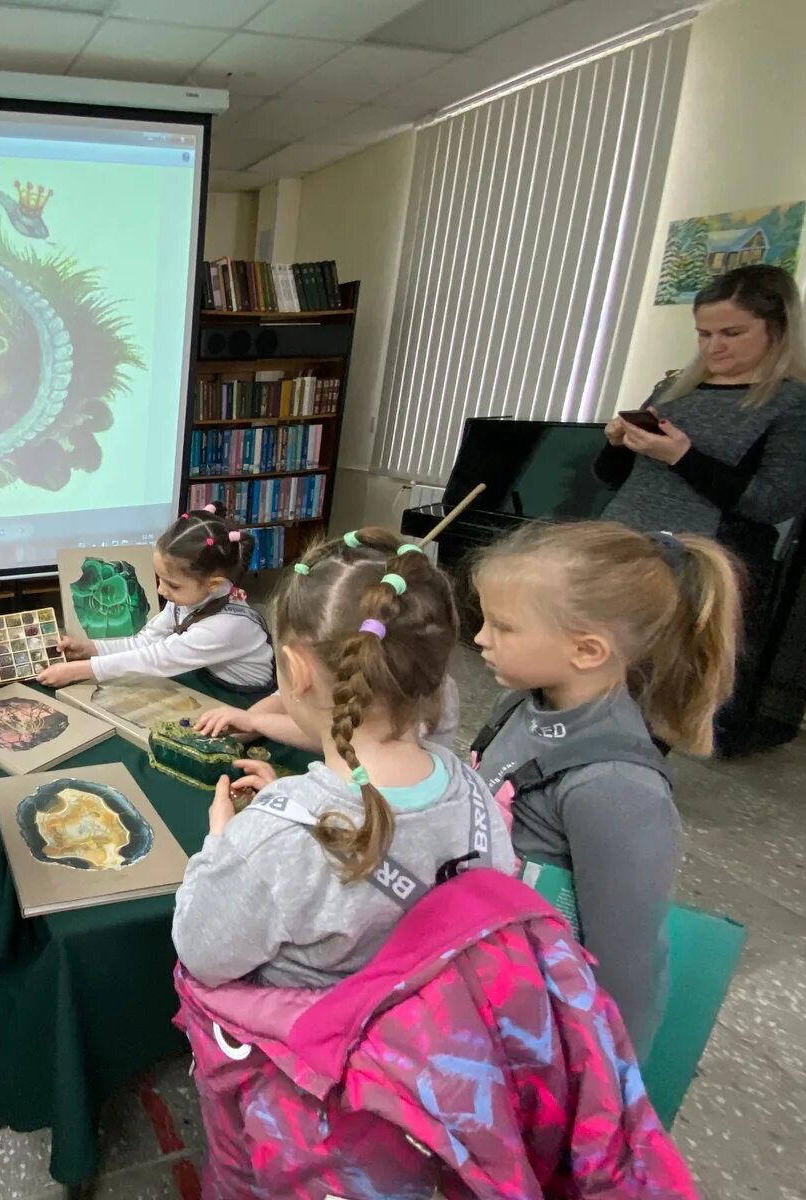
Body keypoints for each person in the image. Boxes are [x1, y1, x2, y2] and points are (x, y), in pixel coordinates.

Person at [172, 528, 514, 989]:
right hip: (424, 1036)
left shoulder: (270, 839)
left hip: (302, 1050)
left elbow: (202, 954)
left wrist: (223, 840)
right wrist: (294, 811)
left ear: (296, 671)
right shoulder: (474, 789)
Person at [469, 520, 741, 1055]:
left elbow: (628, 969)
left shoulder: (616, 786)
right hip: (477, 976)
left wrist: (607, 1095)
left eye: (502, 626)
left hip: (530, 1026)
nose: (479, 638)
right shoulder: (520, 706)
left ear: (588, 650)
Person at [597, 263, 806, 753]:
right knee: (595, 668)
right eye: (704, 334)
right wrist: (616, 443)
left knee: (653, 686)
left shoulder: (791, 405)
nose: (715, 347)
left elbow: (772, 502)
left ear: (777, 329)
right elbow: (613, 478)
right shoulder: (675, 389)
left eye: (732, 333)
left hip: (694, 562)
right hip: (624, 547)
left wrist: (682, 457)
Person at [194, 534, 460, 750]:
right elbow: (292, 701)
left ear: (299, 671)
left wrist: (257, 722)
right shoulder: (423, 673)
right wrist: (251, 719)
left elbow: (333, 733)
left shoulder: (395, 709)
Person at [38, 504, 274, 694]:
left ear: (214, 584)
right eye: (159, 578)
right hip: (206, 675)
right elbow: (144, 642)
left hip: (242, 697)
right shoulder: (189, 598)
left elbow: (156, 659)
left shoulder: (227, 627)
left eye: (172, 584)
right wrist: (89, 648)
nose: (161, 590)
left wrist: (80, 670)